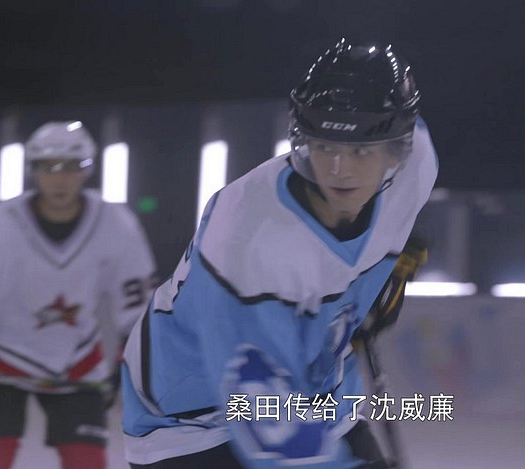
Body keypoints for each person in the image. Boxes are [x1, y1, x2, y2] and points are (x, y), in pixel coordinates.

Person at [121, 39, 438, 468]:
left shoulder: (417, 162)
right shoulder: (248, 241)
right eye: (325, 146)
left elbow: (386, 230)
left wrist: (387, 269)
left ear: (397, 148)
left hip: (316, 393)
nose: (339, 170)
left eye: (361, 150)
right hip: (190, 418)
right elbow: (271, 434)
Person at [0, 121, 157, 469]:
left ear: (87, 170)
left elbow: (137, 296)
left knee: (87, 462)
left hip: (76, 358)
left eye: (71, 166)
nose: (60, 179)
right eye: (49, 167)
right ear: (33, 170)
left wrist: (133, 356)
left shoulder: (115, 223)